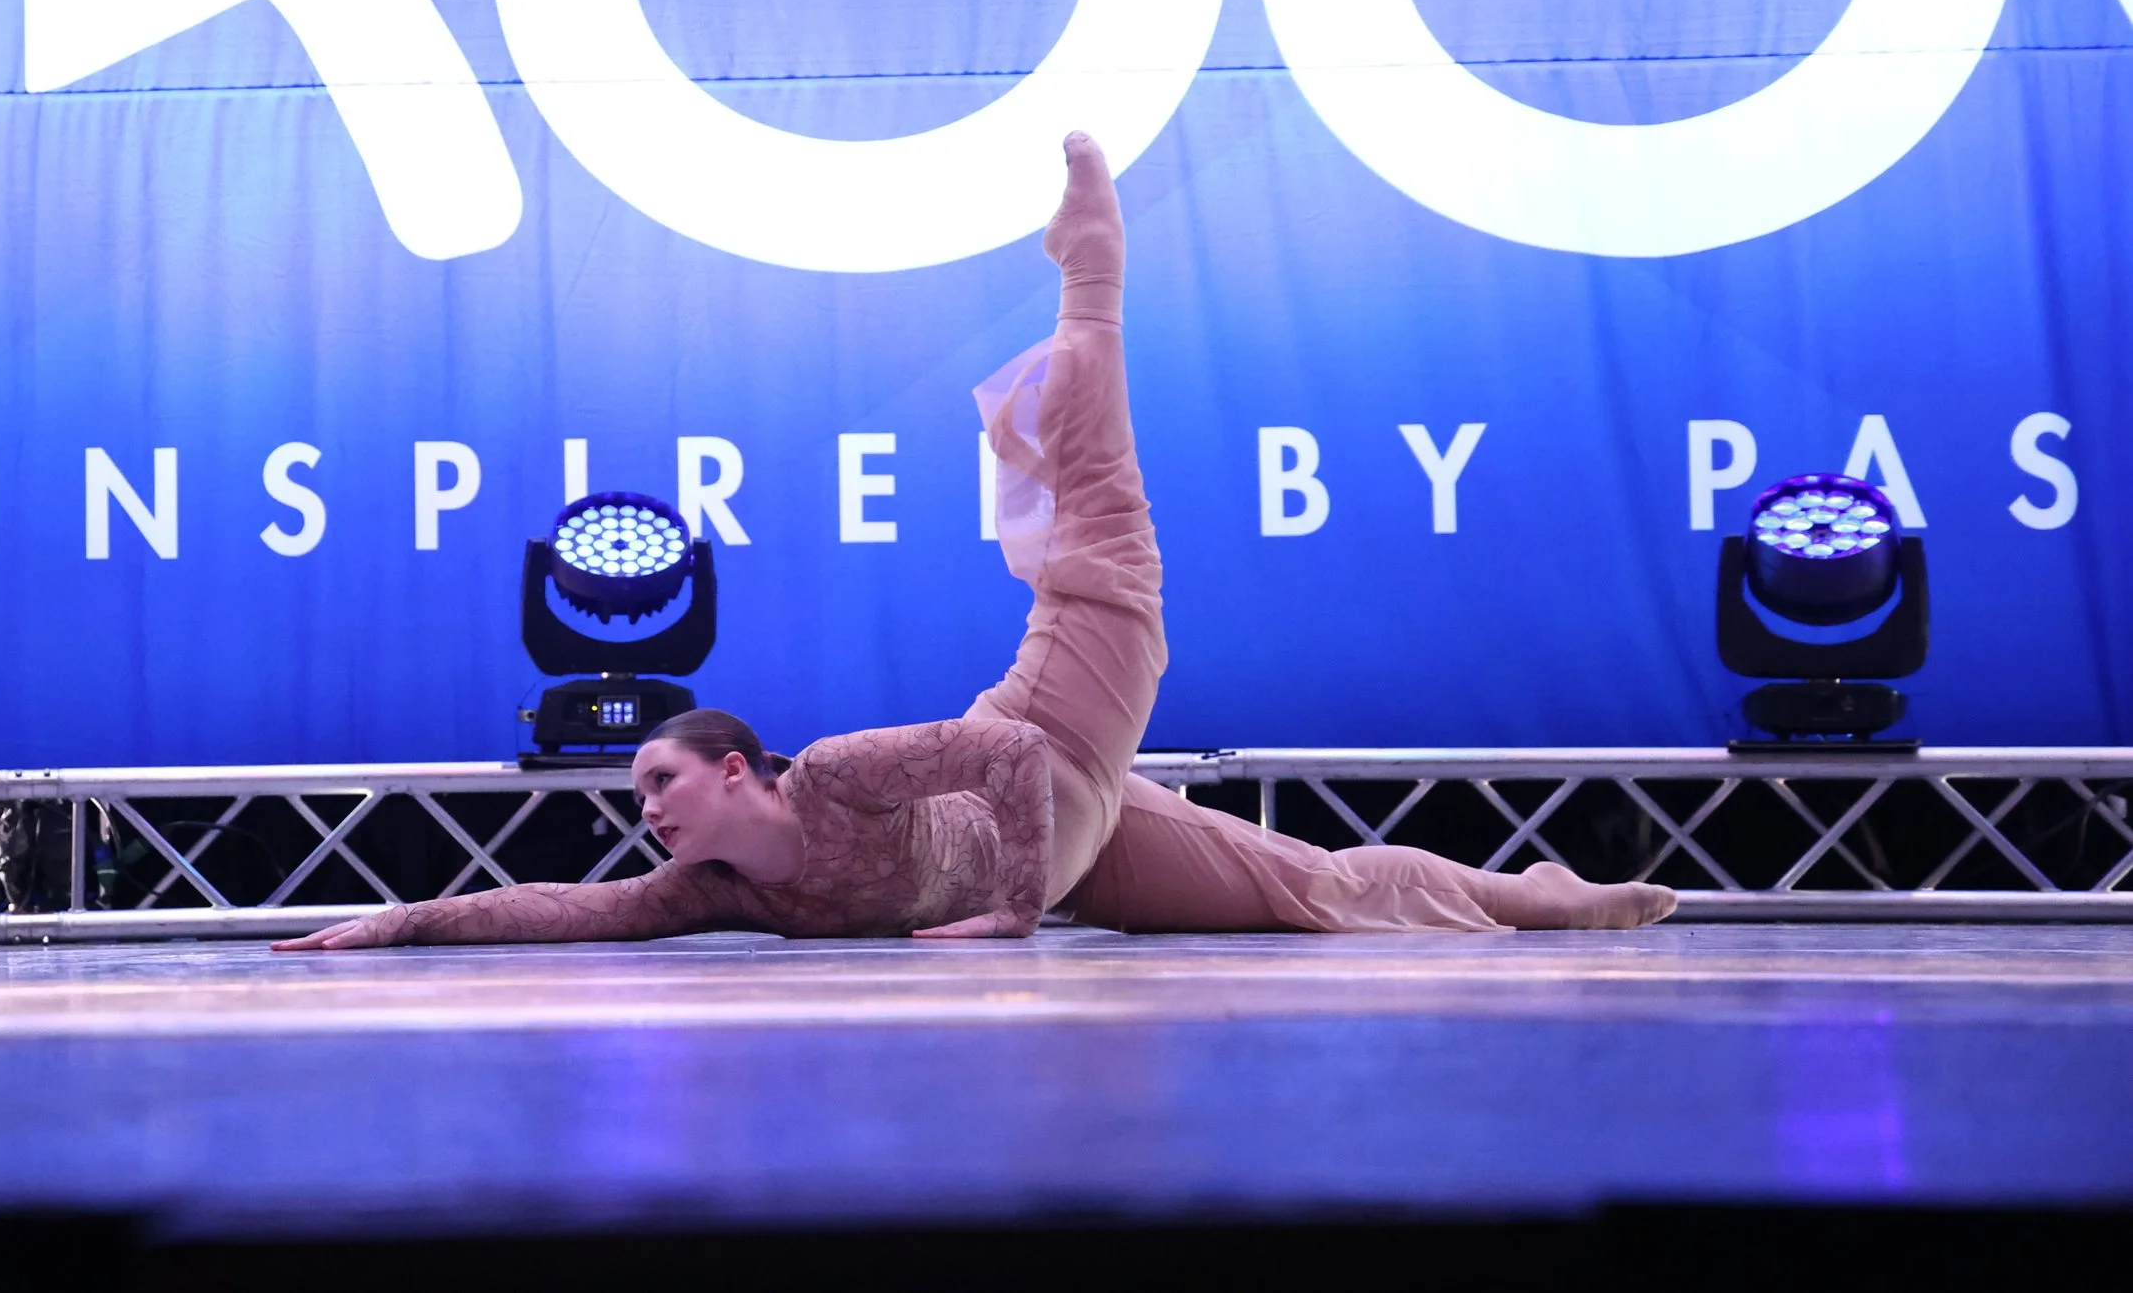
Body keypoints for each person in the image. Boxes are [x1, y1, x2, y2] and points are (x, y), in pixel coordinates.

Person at [278, 133, 1675, 950]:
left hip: (1050, 764)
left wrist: (1011, 911)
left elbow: (1005, 754)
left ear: (742, 767)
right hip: (1060, 843)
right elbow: (557, 910)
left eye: (660, 778)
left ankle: (1093, 276)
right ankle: (1542, 898)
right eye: (642, 792)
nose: (642, 806)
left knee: (1104, 554)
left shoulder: (830, 779)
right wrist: (394, 922)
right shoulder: (719, 890)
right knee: (1311, 894)